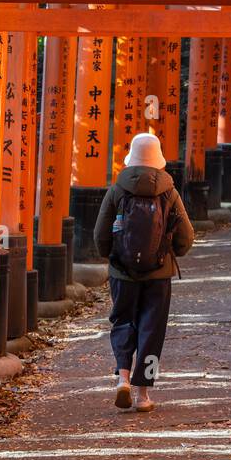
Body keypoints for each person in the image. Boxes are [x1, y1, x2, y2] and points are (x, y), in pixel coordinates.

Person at [94, 133, 194, 413]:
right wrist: (171, 253)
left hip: (122, 273)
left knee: (123, 322)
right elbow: (186, 236)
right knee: (152, 331)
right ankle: (143, 395)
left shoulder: (117, 190)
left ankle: (122, 378)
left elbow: (100, 233)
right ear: (158, 158)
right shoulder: (169, 192)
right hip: (158, 275)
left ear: (132, 157)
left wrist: (112, 257)